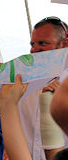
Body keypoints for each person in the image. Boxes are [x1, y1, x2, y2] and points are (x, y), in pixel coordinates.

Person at [16, 16, 68, 160]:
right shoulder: (19, 87)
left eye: (43, 43)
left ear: (65, 44)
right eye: (32, 44)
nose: (34, 50)